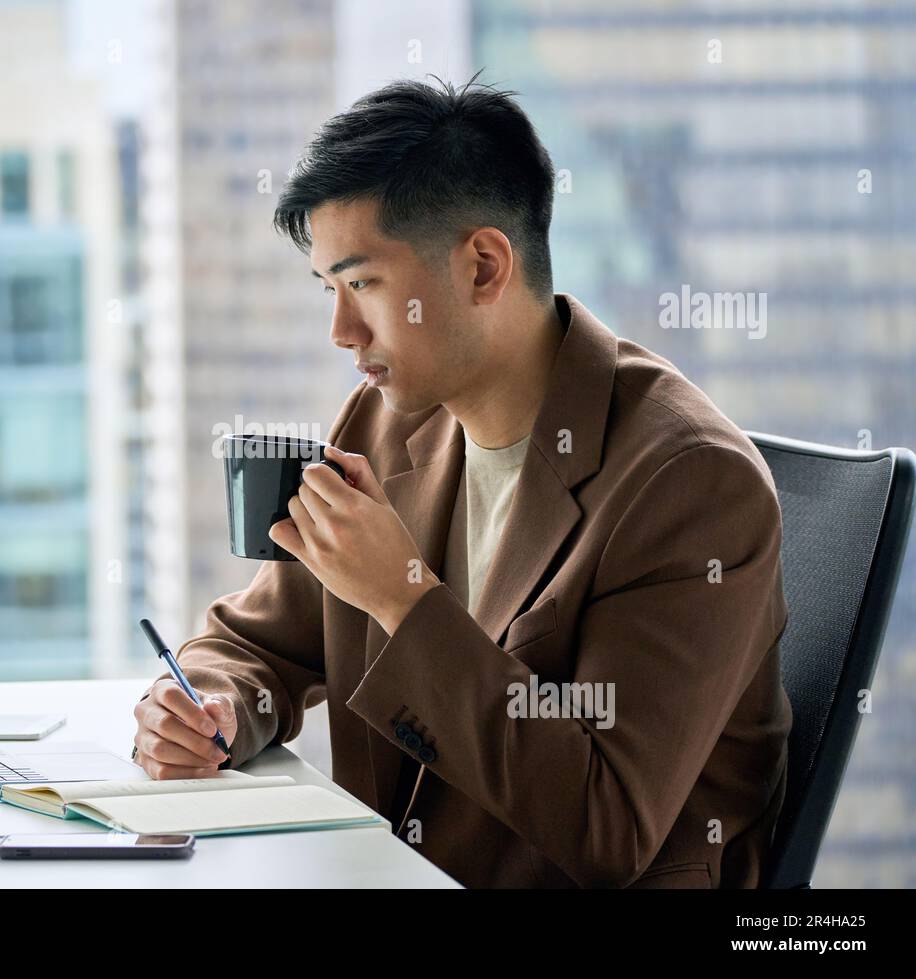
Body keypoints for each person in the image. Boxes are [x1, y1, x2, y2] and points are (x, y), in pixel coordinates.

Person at [131, 72, 792, 888]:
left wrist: (403, 600)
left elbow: (606, 823)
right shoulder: (386, 422)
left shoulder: (691, 485)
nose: (340, 332)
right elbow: (257, 639)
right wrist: (216, 705)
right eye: (329, 290)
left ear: (483, 267)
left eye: (363, 284)